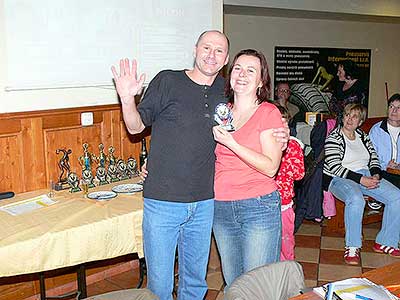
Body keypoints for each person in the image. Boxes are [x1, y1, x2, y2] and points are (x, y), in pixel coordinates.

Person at [111, 31, 289, 300]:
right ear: (195, 49)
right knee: (159, 286)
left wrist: (282, 132)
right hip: (164, 201)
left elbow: (256, 131)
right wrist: (127, 98)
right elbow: (136, 128)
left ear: (225, 59)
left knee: (196, 283)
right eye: (207, 47)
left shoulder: (225, 93)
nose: (211, 55)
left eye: (219, 51)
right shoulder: (168, 80)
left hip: (206, 203)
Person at [212, 49, 284, 288]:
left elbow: (271, 167)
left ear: (261, 80)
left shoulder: (268, 112)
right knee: (234, 284)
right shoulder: (221, 112)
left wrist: (232, 143)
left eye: (250, 70)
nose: (242, 74)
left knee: (257, 285)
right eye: (237, 68)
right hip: (221, 206)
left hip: (258, 205)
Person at [323, 103, 400, 265]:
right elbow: (334, 166)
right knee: (356, 198)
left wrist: (375, 175)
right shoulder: (334, 137)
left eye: (355, 116)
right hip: (339, 179)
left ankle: (386, 242)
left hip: (364, 175)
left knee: (396, 196)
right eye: (347, 115)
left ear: (360, 121)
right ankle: (352, 246)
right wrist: (361, 180)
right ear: (342, 117)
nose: (350, 119)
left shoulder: (363, 136)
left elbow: (374, 159)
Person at [275, 105, 305, 261]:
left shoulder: (293, 146)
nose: (283, 129)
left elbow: (299, 174)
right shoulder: (260, 144)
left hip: (284, 202)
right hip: (262, 203)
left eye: (285, 124)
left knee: (285, 240)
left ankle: (288, 272)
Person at [370, 93, 400, 187]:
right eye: (391, 106)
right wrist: (385, 166)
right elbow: (370, 156)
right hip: (381, 172)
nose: (394, 110)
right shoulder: (377, 130)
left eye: (399, 108)